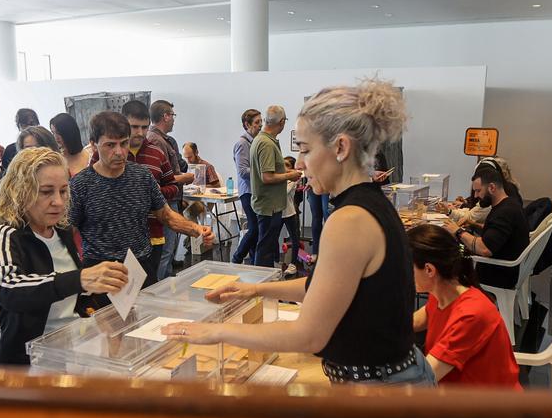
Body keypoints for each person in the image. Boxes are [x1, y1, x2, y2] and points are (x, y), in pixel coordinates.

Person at [163, 79, 434, 385]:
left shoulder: (350, 220)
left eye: (305, 149)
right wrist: (256, 290)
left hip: (382, 390)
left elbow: (309, 336)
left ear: (341, 147)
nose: (301, 163)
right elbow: (326, 287)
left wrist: (216, 331)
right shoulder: (368, 203)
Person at [0, 147, 127, 364]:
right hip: (30, 360)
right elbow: (8, 288)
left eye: (63, 191)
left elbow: (73, 296)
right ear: (21, 191)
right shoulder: (5, 235)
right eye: (46, 192)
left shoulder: (61, 232)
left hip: (73, 347)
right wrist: (80, 279)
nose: (58, 202)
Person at [68, 111, 212, 300]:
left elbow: (165, 215)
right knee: (105, 328)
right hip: (101, 272)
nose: (119, 152)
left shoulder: (142, 176)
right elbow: (67, 232)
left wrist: (197, 229)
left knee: (145, 323)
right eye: (110, 145)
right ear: (93, 145)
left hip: (140, 267)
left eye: (124, 143)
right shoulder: (81, 184)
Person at [409, 224, 521, 387]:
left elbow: (424, 381)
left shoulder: (470, 314)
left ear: (429, 270)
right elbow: (423, 317)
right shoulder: (444, 292)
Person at [443, 159, 529, 290]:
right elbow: (494, 233)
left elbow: (485, 249)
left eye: (478, 191)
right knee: (456, 251)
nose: (476, 196)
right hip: (505, 265)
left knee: (445, 264)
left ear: (492, 187)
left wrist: (458, 231)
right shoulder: (508, 205)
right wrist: (471, 225)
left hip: (498, 273)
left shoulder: (504, 212)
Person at [121, 101, 179, 277]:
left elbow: (173, 186)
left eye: (144, 127)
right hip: (121, 238)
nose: (140, 132)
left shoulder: (157, 153)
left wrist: (155, 194)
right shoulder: (111, 153)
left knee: (151, 285)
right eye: (134, 127)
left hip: (153, 233)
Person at [250, 105, 302, 267]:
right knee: (265, 248)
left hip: (269, 204)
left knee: (267, 246)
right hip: (269, 206)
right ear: (281, 122)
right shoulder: (266, 144)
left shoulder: (263, 140)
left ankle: (265, 279)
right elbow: (267, 177)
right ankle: (260, 284)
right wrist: (290, 175)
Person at [147, 99, 192, 281]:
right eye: (172, 115)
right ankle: (160, 290)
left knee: (168, 249)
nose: (174, 119)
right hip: (165, 202)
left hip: (170, 199)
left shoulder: (163, 140)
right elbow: (163, 179)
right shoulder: (157, 141)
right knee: (165, 251)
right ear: (165, 116)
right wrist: (185, 178)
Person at [231, 108, 263, 264]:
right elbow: (243, 171)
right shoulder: (242, 144)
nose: (260, 125)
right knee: (255, 228)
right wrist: (264, 172)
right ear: (247, 124)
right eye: (257, 122)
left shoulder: (255, 142)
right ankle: (237, 258)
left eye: (261, 122)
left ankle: (253, 260)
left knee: (255, 229)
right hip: (248, 191)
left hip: (255, 190)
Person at [49, 113, 94, 177]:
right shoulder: (58, 161)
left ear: (69, 133)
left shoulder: (92, 152)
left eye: (58, 133)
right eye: (53, 133)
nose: (56, 137)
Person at [1, 108, 39, 174]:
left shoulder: (46, 145)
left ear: (37, 124)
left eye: (32, 124)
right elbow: (5, 176)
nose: (29, 128)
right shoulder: (10, 150)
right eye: (24, 125)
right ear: (19, 126)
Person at [281, 156, 302, 276]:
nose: (284, 168)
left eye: (287, 165)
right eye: (282, 164)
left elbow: (283, 192)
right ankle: (276, 261)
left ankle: (293, 264)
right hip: (278, 213)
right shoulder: (281, 178)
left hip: (289, 213)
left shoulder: (293, 180)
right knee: (273, 238)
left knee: (294, 238)